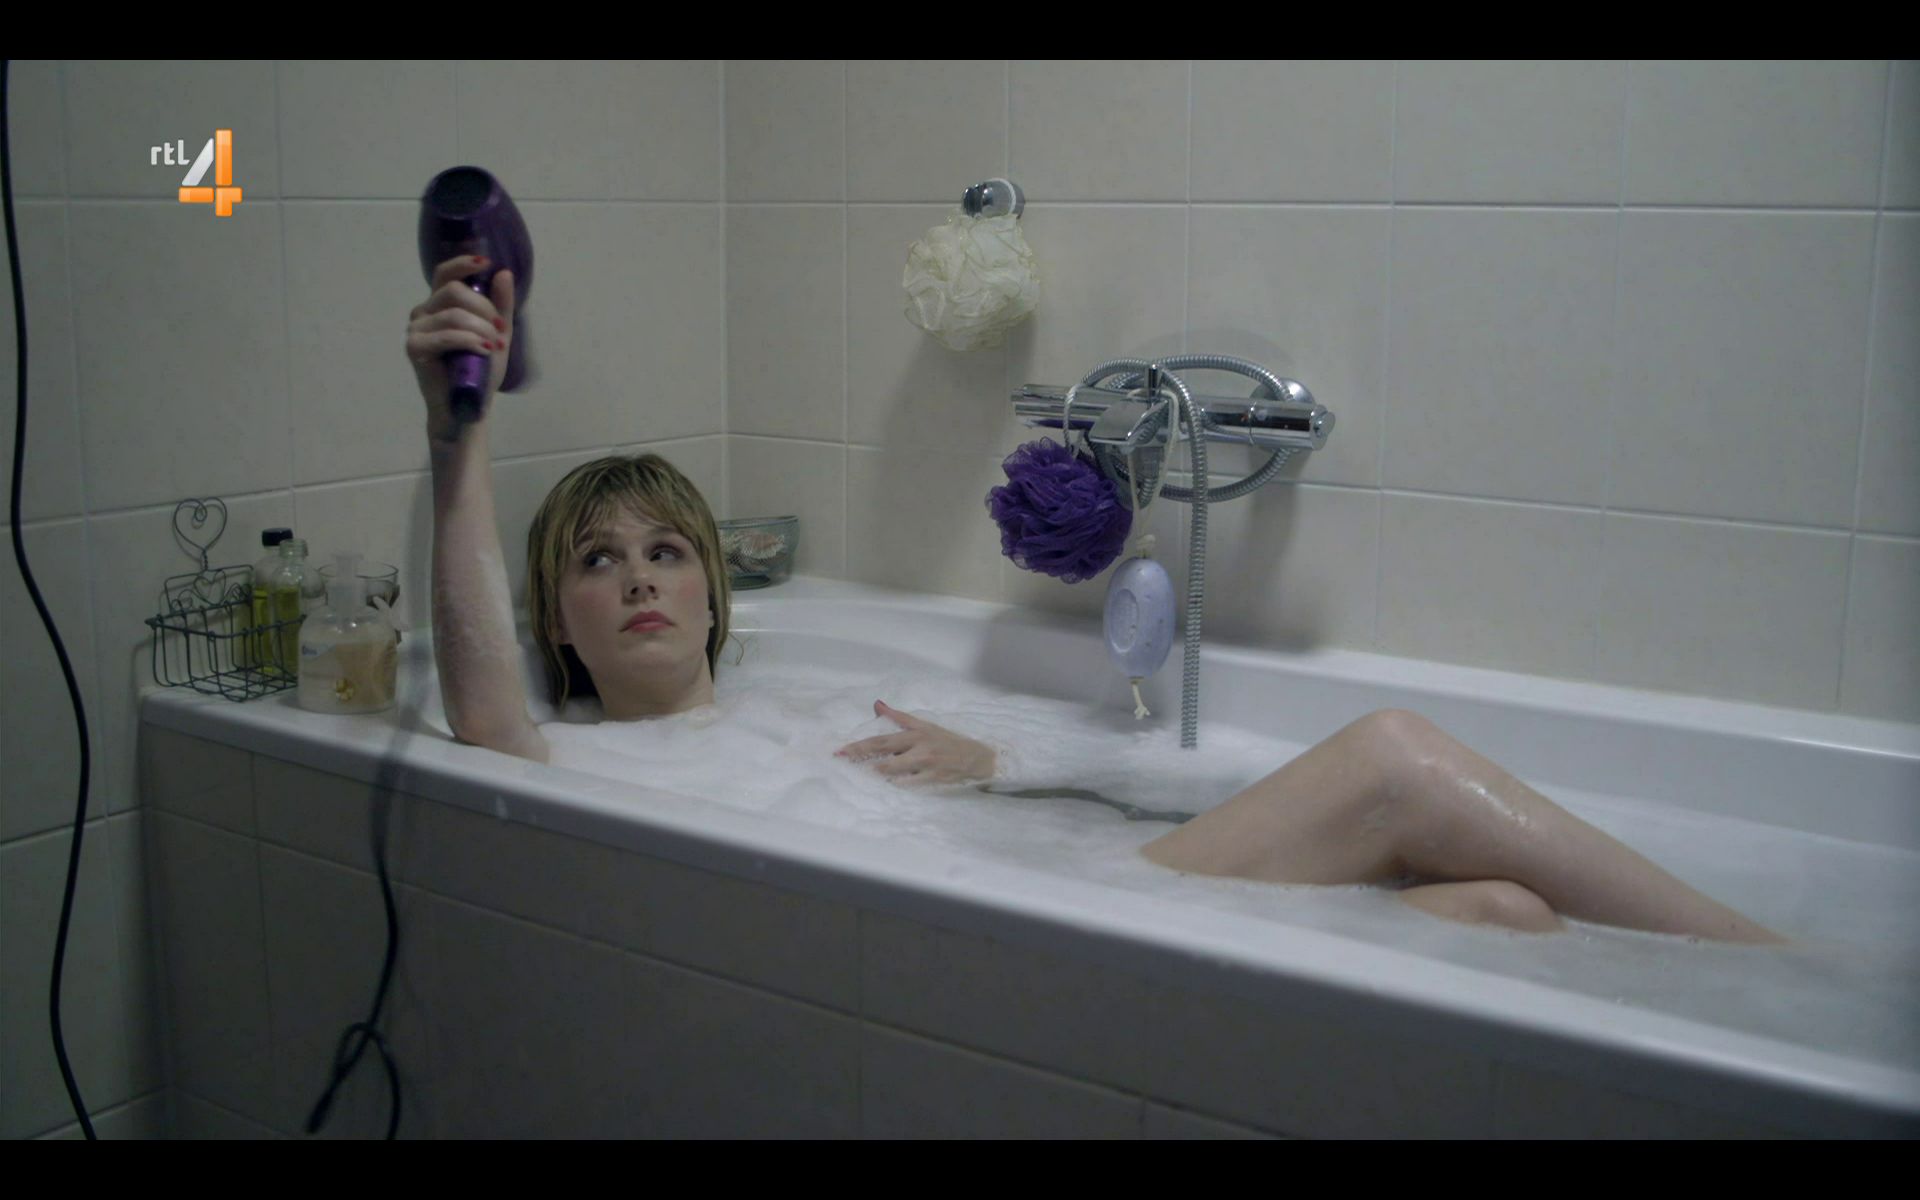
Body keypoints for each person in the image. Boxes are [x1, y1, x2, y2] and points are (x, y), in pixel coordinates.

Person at [408, 254, 1785, 945]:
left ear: (716, 595)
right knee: (1391, 759)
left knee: (1505, 916)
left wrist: (998, 769)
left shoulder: (813, 701)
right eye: (597, 563)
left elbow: (1062, 810)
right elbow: (480, 707)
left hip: (1078, 900)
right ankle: (1780, 970)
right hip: (1037, 937)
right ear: (555, 623)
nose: (640, 579)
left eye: (667, 552)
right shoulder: (572, 765)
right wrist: (453, 432)